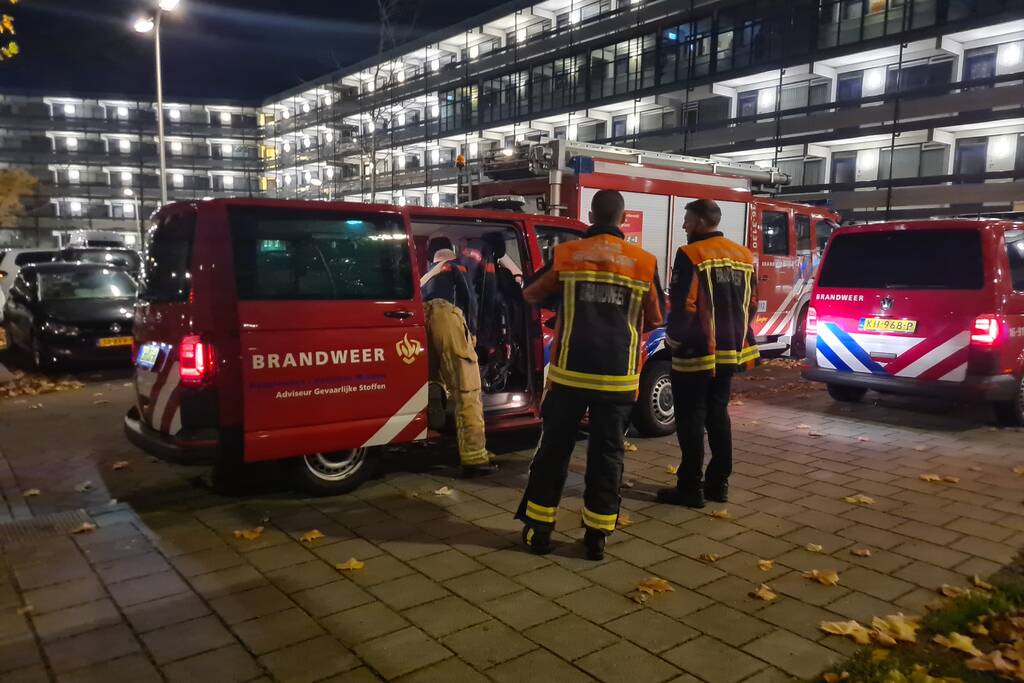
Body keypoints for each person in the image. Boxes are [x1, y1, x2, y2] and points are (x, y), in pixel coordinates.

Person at [515, 189, 664, 561]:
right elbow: (656, 318)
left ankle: (539, 530)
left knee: (554, 449)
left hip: (570, 374)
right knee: (607, 454)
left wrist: (564, 301)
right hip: (618, 378)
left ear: (592, 214)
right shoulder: (643, 262)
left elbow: (530, 293)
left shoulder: (567, 255)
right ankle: (597, 535)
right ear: (622, 218)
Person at [658, 199, 759, 509]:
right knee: (718, 416)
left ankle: (690, 487)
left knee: (691, 418)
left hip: (697, 352)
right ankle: (719, 483)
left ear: (701, 221)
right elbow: (752, 302)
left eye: (687, 219)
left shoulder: (690, 254)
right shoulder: (743, 255)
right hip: (731, 351)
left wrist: (673, 340)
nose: (685, 225)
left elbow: (685, 305)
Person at [421, 237, 496, 477]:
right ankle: (475, 457)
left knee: (435, 380)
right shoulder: (455, 266)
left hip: (423, 321)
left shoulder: (426, 275)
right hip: (448, 316)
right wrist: (473, 334)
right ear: (449, 251)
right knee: (467, 387)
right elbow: (471, 300)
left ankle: (436, 426)